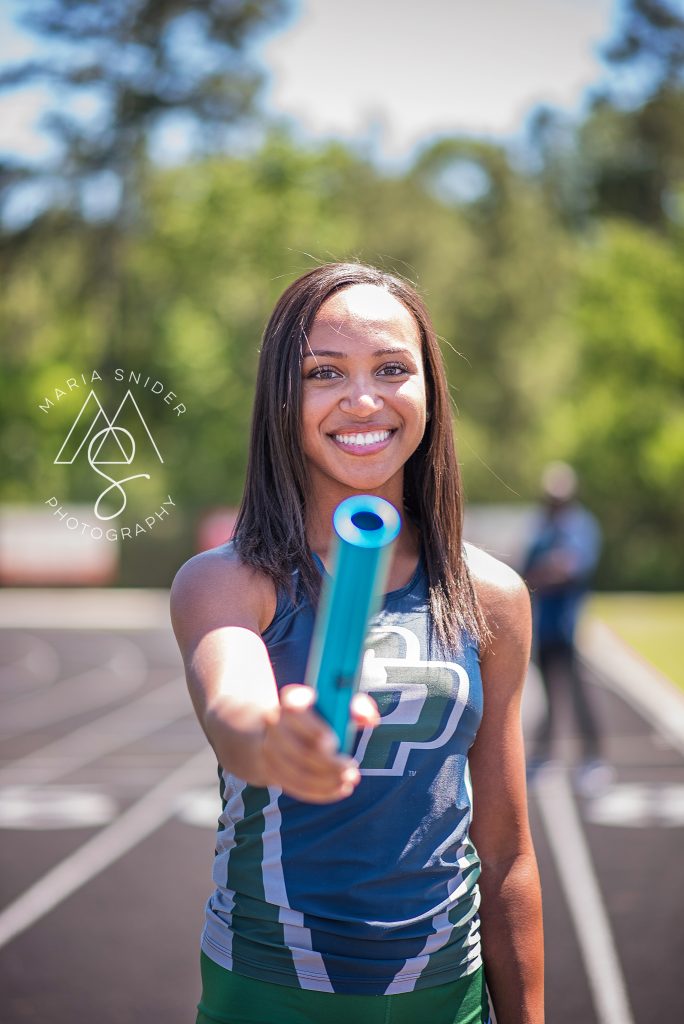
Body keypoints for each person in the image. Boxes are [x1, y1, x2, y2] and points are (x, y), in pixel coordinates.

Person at [171, 263, 544, 1024]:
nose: (363, 399)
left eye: (392, 369)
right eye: (325, 372)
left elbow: (505, 851)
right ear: (283, 397)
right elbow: (232, 703)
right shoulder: (228, 580)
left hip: (447, 999)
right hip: (268, 996)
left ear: (430, 393)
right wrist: (272, 736)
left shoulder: (493, 596)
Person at [522, 461, 608, 792]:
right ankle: (545, 755)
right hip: (543, 628)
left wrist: (544, 573)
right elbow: (527, 569)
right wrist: (545, 571)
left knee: (579, 696)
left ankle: (593, 757)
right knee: (546, 698)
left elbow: (570, 567)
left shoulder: (580, 525)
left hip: (570, 627)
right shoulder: (541, 527)